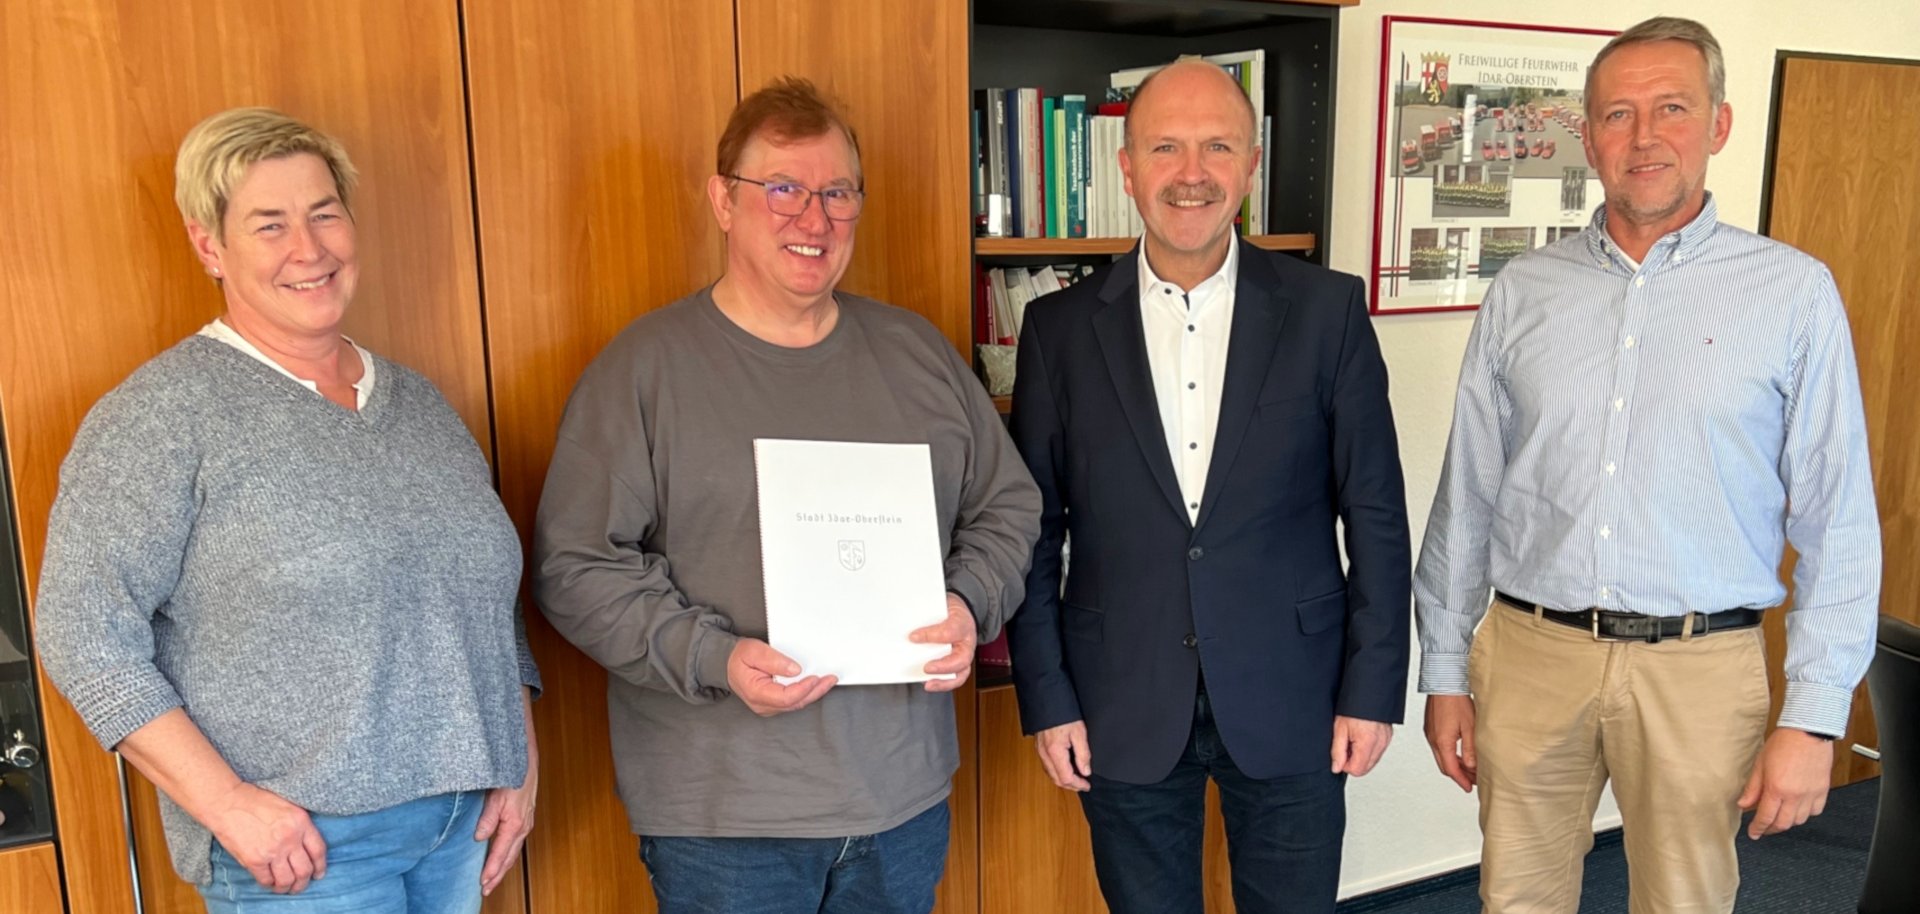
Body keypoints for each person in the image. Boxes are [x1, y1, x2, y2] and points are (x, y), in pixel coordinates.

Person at [531, 77, 1039, 914]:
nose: (814, 219)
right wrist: (716, 659)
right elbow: (575, 568)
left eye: (836, 193)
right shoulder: (644, 371)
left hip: (901, 802)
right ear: (723, 202)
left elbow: (1008, 508)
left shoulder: (918, 354)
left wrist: (968, 601)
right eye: (782, 190)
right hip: (723, 819)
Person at [1415, 17, 1882, 913]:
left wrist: (1815, 715)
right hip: (1530, 654)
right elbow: (1466, 498)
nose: (1643, 137)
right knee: (1515, 899)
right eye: (1617, 114)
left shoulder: (1792, 293)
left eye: (1671, 108)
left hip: (1699, 668)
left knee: (1685, 902)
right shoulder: (1525, 292)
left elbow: (1839, 519)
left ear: (1718, 124)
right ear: (1587, 137)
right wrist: (1443, 671)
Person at [34, 108, 542, 913]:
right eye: (269, 225)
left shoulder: (420, 404)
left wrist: (518, 758)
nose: (309, 250)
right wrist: (225, 803)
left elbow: (483, 596)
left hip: (460, 830)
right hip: (305, 854)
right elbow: (81, 630)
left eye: (324, 215)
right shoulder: (162, 415)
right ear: (210, 246)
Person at [1007, 59, 1411, 914]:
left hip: (1296, 694)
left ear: (1253, 164)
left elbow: (1374, 514)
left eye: (1217, 146)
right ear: (1126, 167)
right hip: (1119, 700)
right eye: (1165, 148)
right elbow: (1033, 532)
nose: (1191, 174)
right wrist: (1047, 698)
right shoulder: (1058, 329)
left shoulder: (1327, 310)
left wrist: (1372, 689)